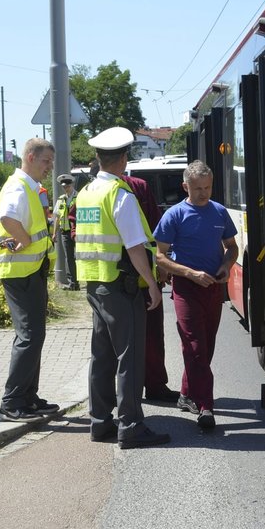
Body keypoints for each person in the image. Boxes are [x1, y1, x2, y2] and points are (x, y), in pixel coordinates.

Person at [75, 126, 169, 449]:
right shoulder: (120, 195)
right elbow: (134, 247)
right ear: (124, 159)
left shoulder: (86, 193)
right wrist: (154, 287)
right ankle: (130, 425)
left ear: (99, 158)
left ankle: (100, 422)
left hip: (95, 284)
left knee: (101, 355)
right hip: (122, 285)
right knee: (129, 355)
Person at [154, 160, 239, 430]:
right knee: (195, 346)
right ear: (185, 186)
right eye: (197, 188)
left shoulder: (219, 212)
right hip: (186, 289)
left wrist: (226, 266)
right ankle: (206, 406)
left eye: (208, 187)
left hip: (213, 287)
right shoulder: (174, 215)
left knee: (206, 346)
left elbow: (232, 247)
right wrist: (189, 274)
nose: (203, 193)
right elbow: (160, 258)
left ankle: (187, 394)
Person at [0, 138, 59, 422]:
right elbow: (8, 218)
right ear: (30, 157)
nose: (49, 167)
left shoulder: (29, 188)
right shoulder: (18, 187)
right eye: (46, 161)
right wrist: (23, 239)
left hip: (30, 271)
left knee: (35, 335)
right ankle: (13, 401)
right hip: (20, 273)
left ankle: (28, 398)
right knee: (29, 336)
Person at [123, 170, 179, 403]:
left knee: (150, 335)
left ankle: (152, 385)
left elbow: (155, 231)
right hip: (125, 277)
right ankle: (136, 390)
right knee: (133, 338)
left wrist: (162, 264)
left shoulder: (137, 187)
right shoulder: (103, 190)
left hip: (117, 278)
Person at [52, 173, 79, 290]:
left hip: (79, 232)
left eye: (67, 186)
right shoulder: (61, 199)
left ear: (72, 184)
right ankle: (73, 283)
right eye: (64, 186)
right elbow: (57, 218)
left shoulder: (80, 197)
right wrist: (54, 233)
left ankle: (87, 281)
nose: (66, 188)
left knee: (82, 256)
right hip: (65, 232)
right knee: (69, 258)